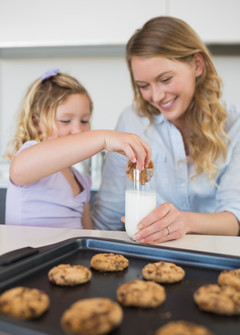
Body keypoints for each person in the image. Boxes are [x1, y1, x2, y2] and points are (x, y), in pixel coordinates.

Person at [92, 16, 240, 243]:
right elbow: (106, 218)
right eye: (144, 86)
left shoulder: (234, 125)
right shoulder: (132, 121)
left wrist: (186, 222)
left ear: (197, 65)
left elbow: (234, 219)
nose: (157, 96)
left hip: (216, 255)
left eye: (166, 79)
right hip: (149, 257)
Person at [5, 69, 151, 229]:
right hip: (29, 254)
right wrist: (102, 137)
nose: (77, 130)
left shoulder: (81, 181)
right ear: (36, 123)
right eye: (66, 121)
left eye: (84, 120)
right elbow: (18, 171)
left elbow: (88, 236)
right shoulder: (31, 155)